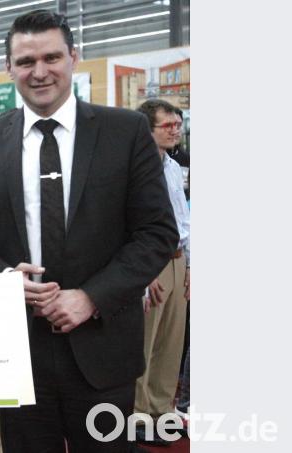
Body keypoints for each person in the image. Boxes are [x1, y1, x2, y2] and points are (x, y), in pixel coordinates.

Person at [0, 10, 178, 452]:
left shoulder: (125, 131)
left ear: (74, 57)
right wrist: (4, 280)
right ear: (8, 67)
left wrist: (92, 296)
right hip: (17, 352)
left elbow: (157, 232)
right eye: (25, 61)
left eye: (52, 57)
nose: (39, 72)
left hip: (103, 349)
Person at [134, 99, 191, 445]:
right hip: (150, 263)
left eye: (177, 124)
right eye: (167, 126)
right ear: (147, 129)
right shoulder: (135, 168)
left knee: (172, 341)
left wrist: (192, 266)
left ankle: (160, 410)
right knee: (145, 342)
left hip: (178, 257)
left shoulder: (173, 166)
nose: (175, 130)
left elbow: (185, 219)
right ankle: (138, 414)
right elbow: (128, 225)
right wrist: (143, 271)